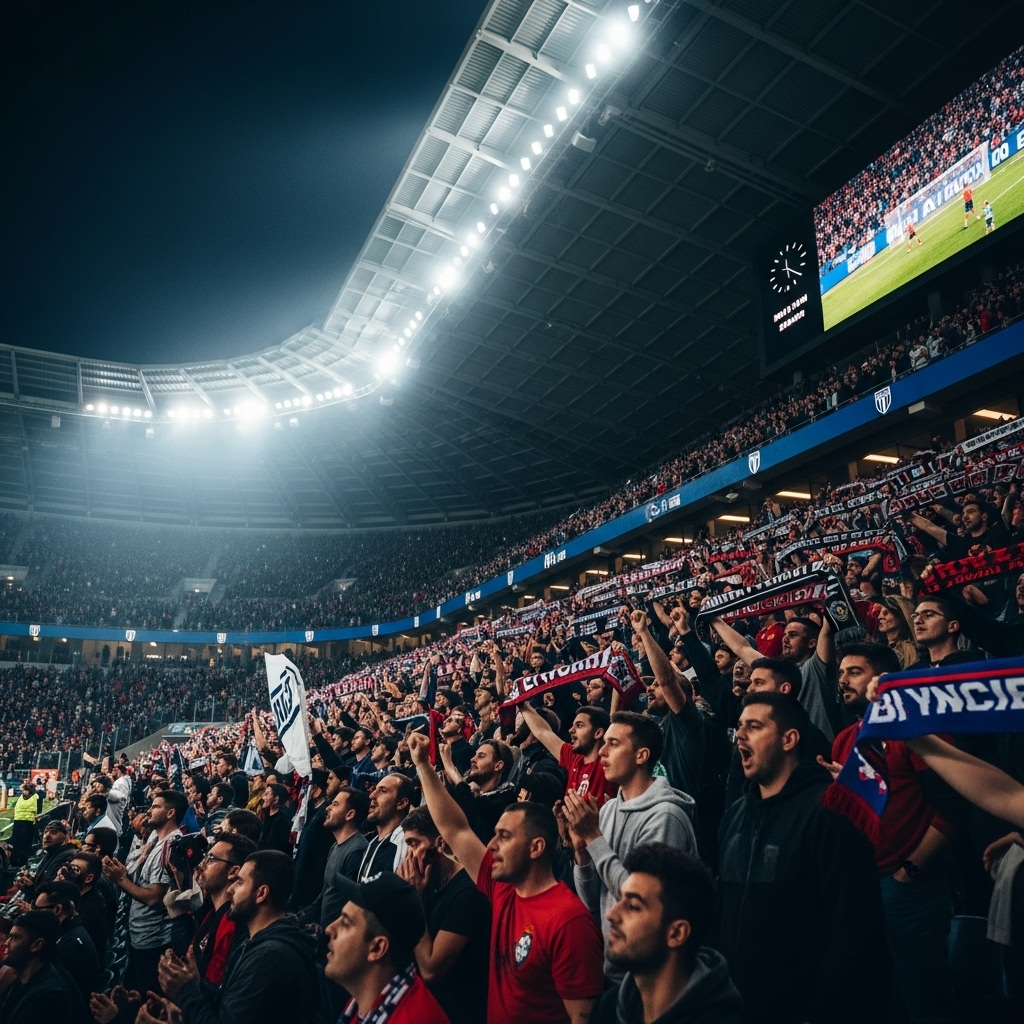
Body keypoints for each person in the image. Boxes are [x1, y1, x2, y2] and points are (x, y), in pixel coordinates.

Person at [408, 730, 603, 1024]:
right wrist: (422, 764)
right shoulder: (502, 890)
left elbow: (583, 1019)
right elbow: (454, 829)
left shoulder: (568, 921)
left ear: (536, 847)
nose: (491, 845)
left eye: (504, 836)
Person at [715, 692, 885, 1023]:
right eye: (738, 726)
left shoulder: (830, 811)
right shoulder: (736, 814)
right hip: (737, 1006)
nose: (740, 735)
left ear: (789, 739)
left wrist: (820, 1009)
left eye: (754, 726)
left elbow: (855, 925)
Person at [826, 643, 956, 1024]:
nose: (843, 680)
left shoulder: (916, 731)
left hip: (911, 890)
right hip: (864, 886)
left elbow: (953, 807)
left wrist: (911, 870)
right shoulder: (845, 739)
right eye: (840, 673)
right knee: (880, 996)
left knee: (924, 999)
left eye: (854, 672)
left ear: (882, 681)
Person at [565, 712, 697, 982]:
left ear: (641, 756)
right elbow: (594, 902)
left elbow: (642, 901)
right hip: (611, 966)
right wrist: (582, 855)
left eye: (613, 744)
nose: (601, 751)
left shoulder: (666, 817)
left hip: (650, 974)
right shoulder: (610, 808)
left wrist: (594, 839)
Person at [158, 850, 318, 1024]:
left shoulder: (270, 958)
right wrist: (196, 984)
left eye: (240, 882)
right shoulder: (253, 942)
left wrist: (185, 990)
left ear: (261, 894)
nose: (230, 888)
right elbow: (231, 1003)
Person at [593, 843, 744, 1024]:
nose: (611, 914)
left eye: (633, 906)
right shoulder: (608, 1008)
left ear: (677, 933)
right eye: (620, 899)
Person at [398, 806, 490, 1024]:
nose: (409, 855)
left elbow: (431, 968)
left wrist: (412, 900)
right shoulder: (429, 884)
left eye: (414, 843)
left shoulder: (468, 893)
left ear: (439, 844)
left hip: (459, 1015)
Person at [323, 872, 450, 1024]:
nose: (329, 929)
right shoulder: (365, 1003)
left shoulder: (412, 1018)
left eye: (345, 923)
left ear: (377, 948)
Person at [102, 788, 188, 996]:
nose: (149, 811)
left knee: (148, 997)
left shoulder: (169, 846)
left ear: (170, 813)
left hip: (153, 940)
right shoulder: (154, 840)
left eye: (155, 806)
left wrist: (120, 879)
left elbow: (152, 897)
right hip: (140, 935)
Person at [712, 612, 838, 741]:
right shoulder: (777, 670)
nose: (785, 639)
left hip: (818, 754)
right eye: (785, 634)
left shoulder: (817, 668)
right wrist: (714, 619)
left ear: (811, 643)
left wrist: (830, 596)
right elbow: (742, 648)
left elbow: (827, 633)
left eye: (793, 635)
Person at [190, 833, 256, 988]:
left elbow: (212, 988)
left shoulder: (230, 924)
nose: (202, 864)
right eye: (205, 857)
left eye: (211, 859)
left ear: (233, 871)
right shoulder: (213, 913)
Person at [522, 702, 616, 805]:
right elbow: (542, 731)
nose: (571, 730)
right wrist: (523, 705)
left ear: (598, 733)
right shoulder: (573, 757)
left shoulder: (611, 764)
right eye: (572, 725)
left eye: (579, 725)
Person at [0, 911, 77, 1023]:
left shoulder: (47, 999)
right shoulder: (23, 979)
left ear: (37, 945)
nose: (6, 943)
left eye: (15, 937)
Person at [32, 880, 101, 1003]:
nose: (33, 914)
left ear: (57, 909)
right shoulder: (72, 932)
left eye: (37, 909)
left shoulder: (69, 946)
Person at [445, 739, 516, 844]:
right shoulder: (472, 794)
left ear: (498, 766)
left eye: (481, 756)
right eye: (475, 755)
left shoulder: (505, 801)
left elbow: (474, 806)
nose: (473, 759)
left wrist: (450, 767)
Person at [357, 772, 413, 880]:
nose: (372, 795)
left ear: (401, 803)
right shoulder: (372, 842)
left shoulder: (405, 843)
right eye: (375, 789)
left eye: (383, 791)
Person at [57, 851, 110, 960]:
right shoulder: (80, 898)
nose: (67, 873)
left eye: (74, 870)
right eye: (69, 867)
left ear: (88, 878)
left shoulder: (91, 910)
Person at [257, 784, 293, 855]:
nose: (263, 797)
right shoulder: (267, 814)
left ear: (276, 799)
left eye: (267, 794)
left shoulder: (281, 820)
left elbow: (273, 847)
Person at [11, 780, 38, 867]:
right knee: (22, 844)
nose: (24, 792)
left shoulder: (21, 798)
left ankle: (17, 862)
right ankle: (19, 862)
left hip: (23, 822)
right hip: (24, 822)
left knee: (20, 844)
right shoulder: (35, 797)